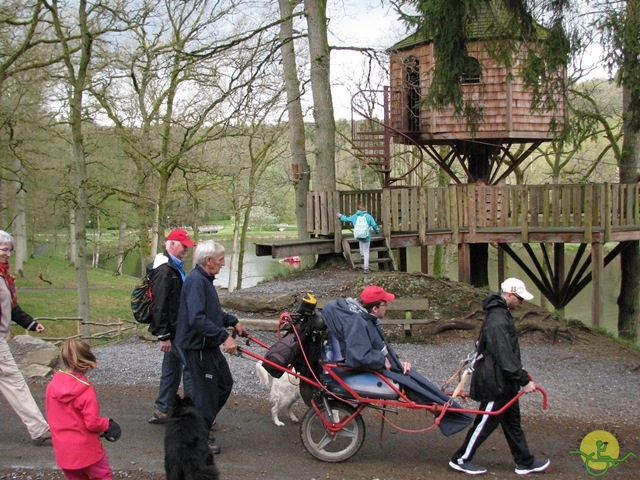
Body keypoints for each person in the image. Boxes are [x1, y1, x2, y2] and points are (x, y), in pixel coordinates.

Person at [322, 285, 472, 437]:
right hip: (370, 369)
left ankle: (448, 409)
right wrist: (382, 360)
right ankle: (451, 414)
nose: (386, 307)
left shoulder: (365, 318)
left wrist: (397, 361)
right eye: (385, 304)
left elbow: (378, 346)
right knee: (412, 385)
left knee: (415, 380)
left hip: (382, 366)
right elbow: (358, 357)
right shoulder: (358, 323)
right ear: (374, 308)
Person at [449, 278, 550, 476]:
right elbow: (504, 355)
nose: (521, 302)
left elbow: (507, 354)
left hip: (504, 381)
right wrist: (524, 380)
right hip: (494, 382)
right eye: (519, 298)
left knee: (512, 423)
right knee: (485, 423)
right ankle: (461, 459)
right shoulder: (498, 319)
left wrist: (520, 376)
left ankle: (524, 462)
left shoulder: (502, 315)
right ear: (509, 295)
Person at [175, 240, 247, 455]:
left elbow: (212, 314)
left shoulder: (205, 280)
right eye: (221, 259)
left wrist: (232, 320)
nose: (223, 263)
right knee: (205, 395)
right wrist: (224, 337)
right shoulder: (197, 282)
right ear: (208, 261)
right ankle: (197, 438)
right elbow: (197, 319)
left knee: (224, 383)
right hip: (197, 347)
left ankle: (197, 428)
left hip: (208, 345)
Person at [0, 229, 52, 445]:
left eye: (9, 250)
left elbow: (11, 307)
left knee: (14, 382)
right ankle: (39, 429)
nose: (7, 254)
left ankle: (39, 429)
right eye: (4, 249)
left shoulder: (4, 277)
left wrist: (31, 323)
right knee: (15, 382)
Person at [46, 339, 121, 480]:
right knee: (102, 476)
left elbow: (52, 416)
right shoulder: (86, 390)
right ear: (86, 362)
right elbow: (92, 423)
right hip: (86, 449)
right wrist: (107, 423)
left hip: (64, 450)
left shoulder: (51, 387)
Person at [147, 228, 196, 424]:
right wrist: (163, 335)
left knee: (171, 369)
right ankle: (192, 412)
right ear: (172, 244)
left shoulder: (172, 266)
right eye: (184, 246)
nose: (186, 250)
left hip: (176, 328)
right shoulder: (165, 270)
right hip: (174, 330)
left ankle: (163, 408)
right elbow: (159, 304)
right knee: (191, 368)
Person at [336, 204, 380, 274]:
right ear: (365, 209)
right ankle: (366, 268)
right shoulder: (368, 216)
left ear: (357, 210)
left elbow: (346, 219)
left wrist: (340, 216)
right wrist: (377, 231)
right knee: (366, 251)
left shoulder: (355, 216)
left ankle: (362, 257)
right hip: (366, 236)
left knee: (361, 245)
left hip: (358, 236)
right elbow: (374, 225)